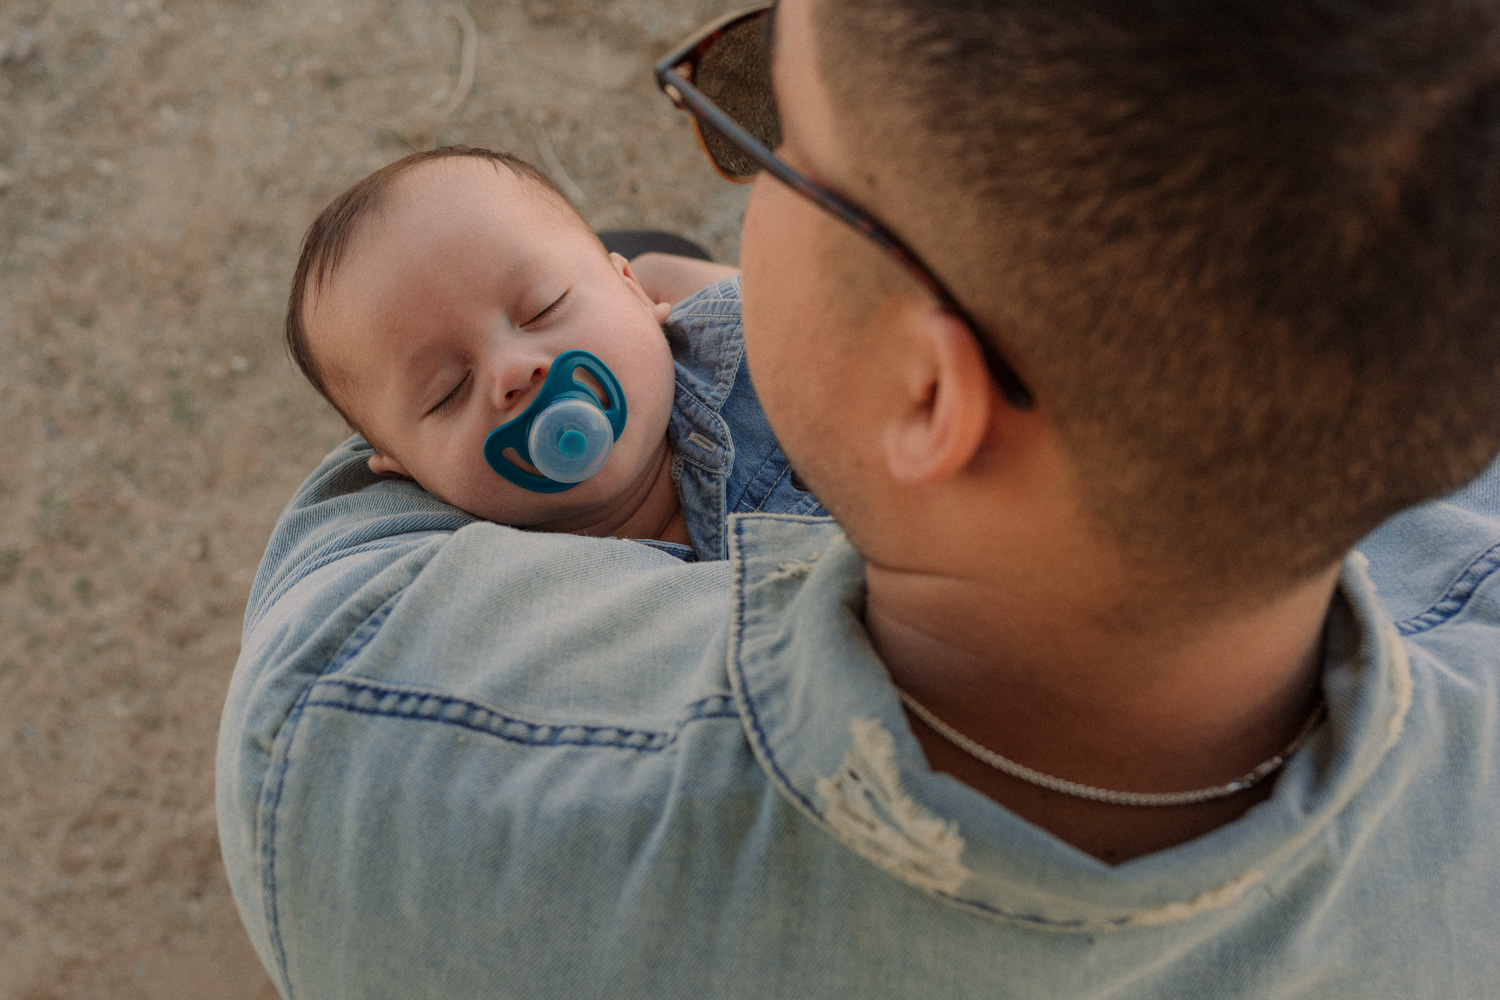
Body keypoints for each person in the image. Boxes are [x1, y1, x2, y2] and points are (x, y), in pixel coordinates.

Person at [218, 0, 1500, 996]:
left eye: (773, 140)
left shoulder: (353, 748)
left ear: (928, 392)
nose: (728, 210)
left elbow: (356, 554)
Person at [283, 145, 823, 562]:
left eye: (544, 307)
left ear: (637, 292)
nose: (513, 369)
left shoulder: (765, 343)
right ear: (405, 474)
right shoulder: (497, 602)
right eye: (448, 391)